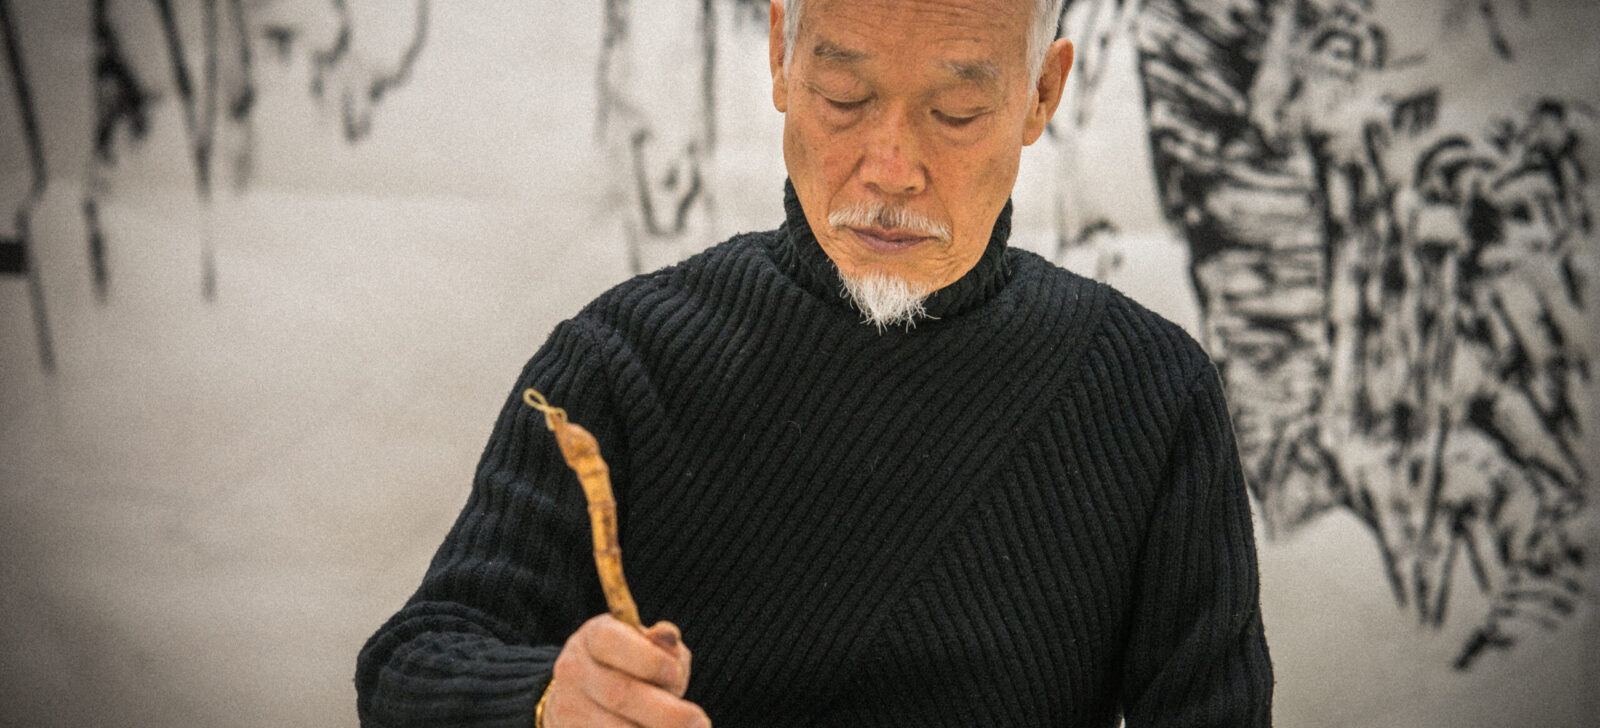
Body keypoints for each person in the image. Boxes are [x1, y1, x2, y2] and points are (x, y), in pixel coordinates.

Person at [354, 0, 1274, 725]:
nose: (890, 167)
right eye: (845, 99)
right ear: (781, 56)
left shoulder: (1150, 395)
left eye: (955, 112)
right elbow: (413, 663)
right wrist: (551, 699)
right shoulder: (621, 360)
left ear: (1042, 93)